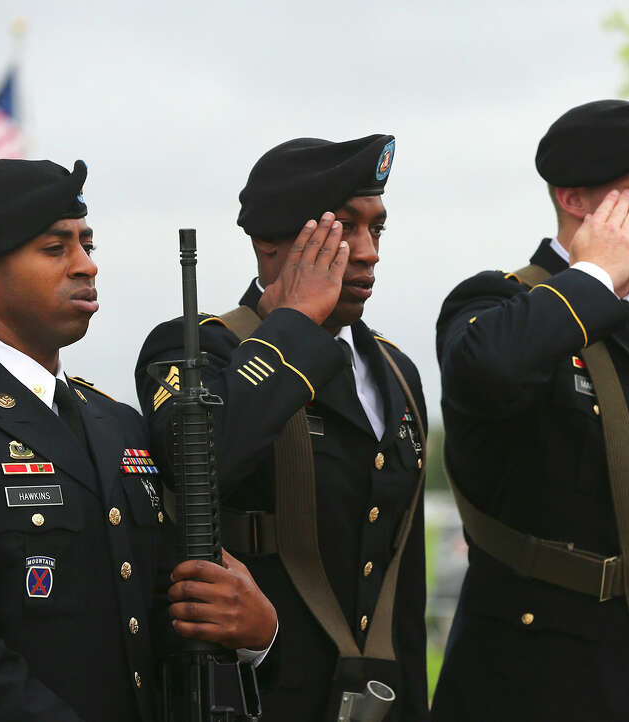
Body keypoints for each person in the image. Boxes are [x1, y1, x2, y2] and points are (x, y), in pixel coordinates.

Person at [0, 159, 277, 722]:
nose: (86, 265)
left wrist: (253, 632)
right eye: (56, 249)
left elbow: (153, 620)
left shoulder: (115, 422)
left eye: (87, 243)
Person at [136, 135, 429, 722]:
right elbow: (203, 458)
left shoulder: (397, 371)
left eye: (378, 229)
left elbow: (402, 579)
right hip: (260, 698)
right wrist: (295, 319)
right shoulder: (194, 349)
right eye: (344, 228)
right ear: (268, 241)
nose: (368, 251)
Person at [431, 100, 629, 721]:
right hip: (536, 680)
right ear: (573, 200)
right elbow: (491, 370)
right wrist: (595, 271)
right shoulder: (497, 303)